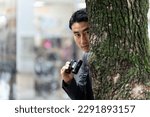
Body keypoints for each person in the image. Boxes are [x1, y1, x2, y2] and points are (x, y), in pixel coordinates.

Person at [60, 8, 94, 100]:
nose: (83, 41)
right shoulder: (86, 57)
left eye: (87, 32)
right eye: (77, 35)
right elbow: (82, 99)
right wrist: (69, 81)